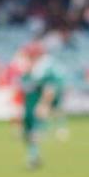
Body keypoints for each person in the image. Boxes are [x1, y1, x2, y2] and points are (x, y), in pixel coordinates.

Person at [18, 42, 63, 170]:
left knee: (35, 131)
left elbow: (50, 88)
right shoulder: (28, 68)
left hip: (37, 104)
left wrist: (43, 104)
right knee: (27, 133)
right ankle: (33, 154)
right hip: (28, 105)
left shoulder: (45, 69)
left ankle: (33, 157)